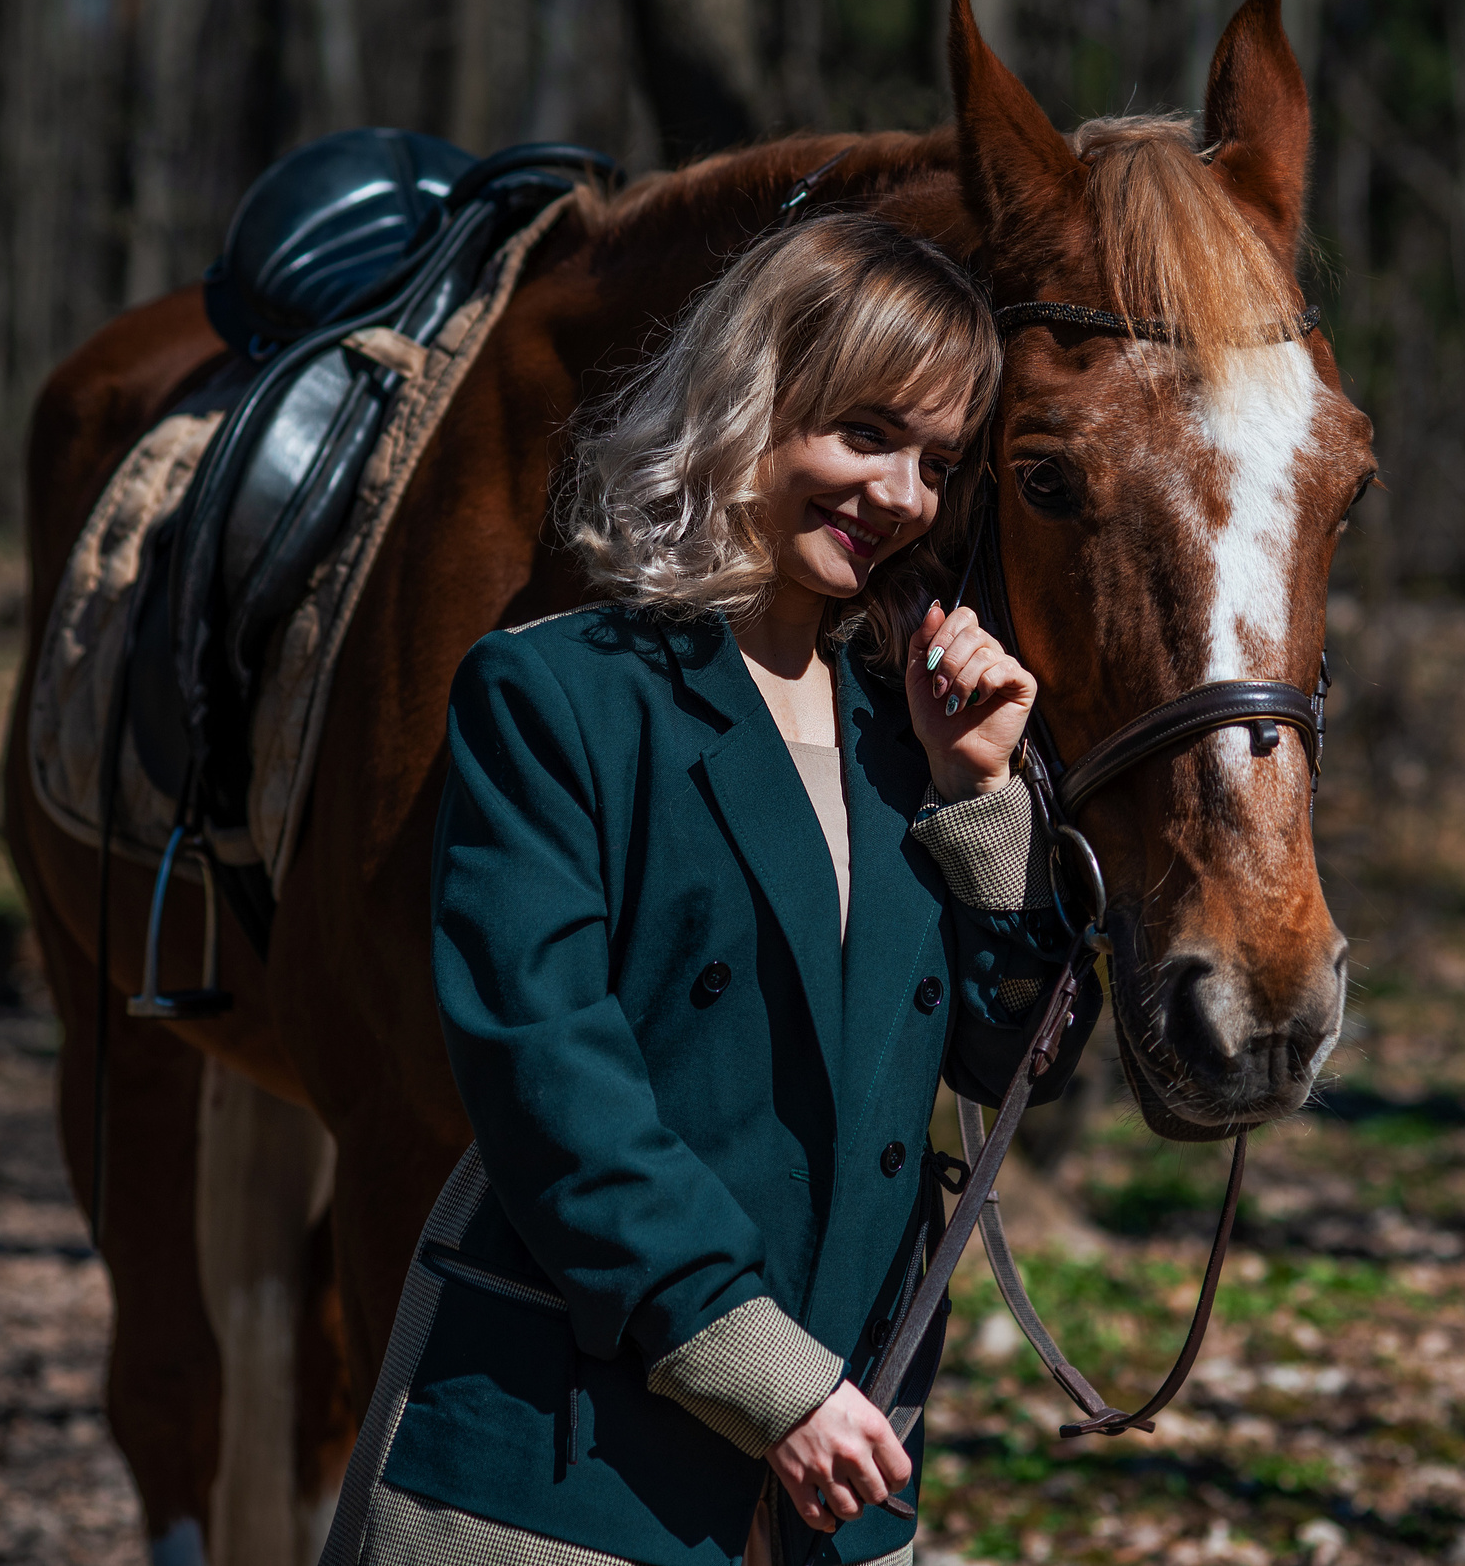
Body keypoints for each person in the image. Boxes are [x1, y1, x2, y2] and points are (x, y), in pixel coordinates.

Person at [338, 212, 1094, 1566]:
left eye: (938, 463)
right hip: (560, 1465)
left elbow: (1005, 1059)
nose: (906, 496)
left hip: (833, 1490)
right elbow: (549, 1080)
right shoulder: (559, 694)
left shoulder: (905, 737)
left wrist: (982, 795)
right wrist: (764, 1373)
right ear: (753, 400)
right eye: (866, 434)